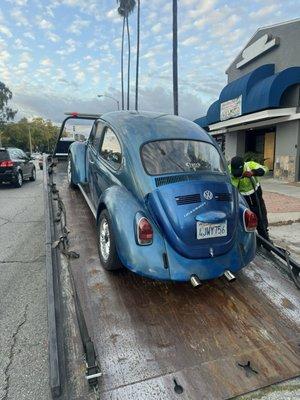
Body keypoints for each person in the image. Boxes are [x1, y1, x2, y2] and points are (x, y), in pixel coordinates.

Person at [229, 156, 270, 242]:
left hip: (256, 195)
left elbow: (265, 169)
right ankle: (248, 239)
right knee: (245, 219)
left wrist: (253, 172)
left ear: (243, 166)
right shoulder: (229, 170)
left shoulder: (250, 165)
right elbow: (232, 187)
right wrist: (238, 177)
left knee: (261, 216)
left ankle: (264, 238)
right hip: (242, 198)